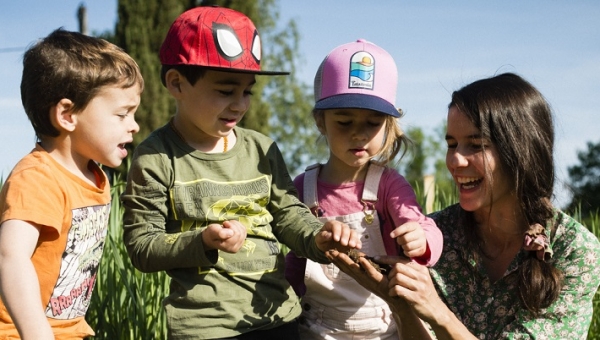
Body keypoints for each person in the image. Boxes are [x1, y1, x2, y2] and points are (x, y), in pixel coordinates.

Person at [121, 6, 361, 340]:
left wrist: (318, 237)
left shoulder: (261, 149)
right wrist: (202, 240)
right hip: (206, 328)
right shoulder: (156, 157)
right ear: (176, 83)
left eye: (247, 91)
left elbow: (289, 215)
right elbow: (142, 247)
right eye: (225, 90)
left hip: (279, 318)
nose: (240, 104)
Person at [327, 72, 600, 339]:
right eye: (451, 144)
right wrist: (399, 304)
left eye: (476, 145)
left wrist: (439, 312)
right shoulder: (434, 238)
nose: (455, 161)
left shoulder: (575, 250)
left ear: (519, 152)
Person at [284, 39, 443, 339]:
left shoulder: (388, 185)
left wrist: (421, 241)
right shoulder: (304, 188)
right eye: (344, 122)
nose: (358, 133)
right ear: (321, 121)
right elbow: (295, 261)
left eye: (372, 123)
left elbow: (424, 226)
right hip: (318, 329)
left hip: (383, 326)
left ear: (388, 124)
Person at [0, 29, 143, 339]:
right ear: (67, 114)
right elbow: (11, 256)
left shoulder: (93, 175)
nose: (134, 126)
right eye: (122, 114)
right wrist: (37, 334)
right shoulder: (37, 178)